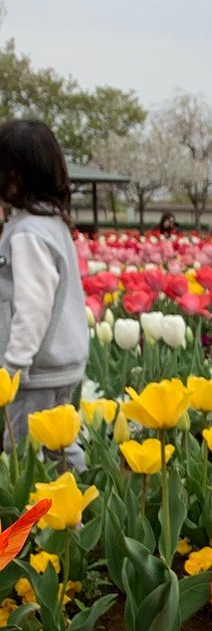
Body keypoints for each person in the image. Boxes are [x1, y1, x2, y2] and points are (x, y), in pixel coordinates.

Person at [0, 120, 88, 470]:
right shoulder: (52, 223)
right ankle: (81, 508)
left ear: (15, 177)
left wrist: (12, 367)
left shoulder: (27, 233)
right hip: (60, 362)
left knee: (21, 451)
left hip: (32, 369)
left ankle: (33, 521)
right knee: (60, 445)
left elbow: (33, 306)